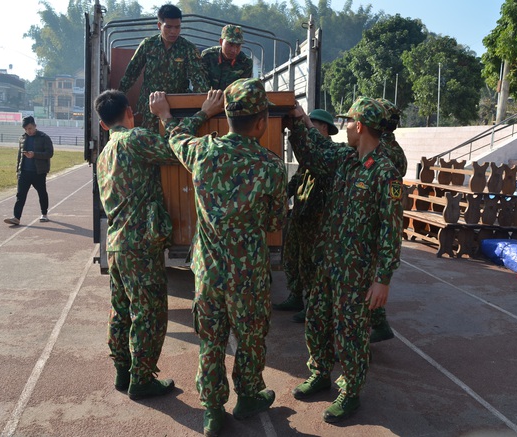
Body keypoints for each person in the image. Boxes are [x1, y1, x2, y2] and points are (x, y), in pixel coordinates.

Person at [149, 80, 287, 437]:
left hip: (209, 273)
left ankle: (211, 411)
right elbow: (275, 223)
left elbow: (175, 137)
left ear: (226, 116)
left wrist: (167, 114)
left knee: (210, 342)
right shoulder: (271, 167)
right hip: (250, 275)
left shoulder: (203, 152)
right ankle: (249, 397)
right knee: (251, 338)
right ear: (260, 122)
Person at [287, 97, 403, 423]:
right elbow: (314, 150)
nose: (346, 128)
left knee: (350, 331)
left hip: (358, 271)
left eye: (349, 122)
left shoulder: (385, 173)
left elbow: (391, 232)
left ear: (360, 125)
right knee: (317, 318)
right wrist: (297, 121)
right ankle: (320, 371)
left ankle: (351, 391)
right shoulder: (345, 159)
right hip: (330, 261)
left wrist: (383, 278)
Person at [94, 89, 190, 400]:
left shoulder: (104, 154)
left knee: (121, 311)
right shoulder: (135, 139)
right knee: (150, 314)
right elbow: (178, 151)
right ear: (130, 111)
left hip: (116, 243)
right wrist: (168, 117)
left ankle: (123, 372)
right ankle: (143, 379)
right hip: (140, 245)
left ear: (103, 124)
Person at [274, 109, 337, 324]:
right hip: (300, 215)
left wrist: (302, 126)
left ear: (324, 129)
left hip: (316, 221)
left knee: (310, 266)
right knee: (291, 259)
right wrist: (282, 196)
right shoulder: (309, 159)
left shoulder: (331, 155)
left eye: (313, 124)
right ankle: (296, 296)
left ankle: (312, 306)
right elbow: (296, 181)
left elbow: (312, 160)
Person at [118, 3, 209, 133]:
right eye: (169, 27)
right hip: (151, 107)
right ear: (159, 25)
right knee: (150, 145)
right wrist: (118, 100)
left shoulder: (188, 49)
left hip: (176, 109)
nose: (173, 31)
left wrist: (203, 106)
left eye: (177, 27)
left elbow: (198, 78)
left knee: (173, 142)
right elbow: (131, 74)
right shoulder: (148, 45)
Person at [367, 98, 407, 344]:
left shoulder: (384, 151)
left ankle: (375, 326)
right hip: (378, 219)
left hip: (375, 220)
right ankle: (379, 324)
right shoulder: (395, 149)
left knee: (369, 281)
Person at [4, 116, 54, 226]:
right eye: (26, 129)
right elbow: (19, 155)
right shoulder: (22, 138)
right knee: (20, 195)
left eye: (30, 128)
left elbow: (49, 153)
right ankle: (16, 217)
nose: (28, 131)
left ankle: (44, 214)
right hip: (24, 172)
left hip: (38, 171)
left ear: (35, 126)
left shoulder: (44, 137)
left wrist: (34, 155)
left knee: (42, 193)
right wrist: (18, 170)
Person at [201, 24, 253, 90]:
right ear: (221, 42)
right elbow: (201, 86)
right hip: (208, 98)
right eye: (230, 45)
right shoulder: (208, 56)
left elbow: (242, 91)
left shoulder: (246, 62)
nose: (234, 50)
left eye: (238, 46)